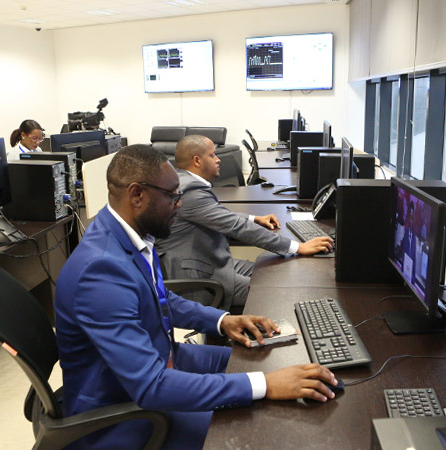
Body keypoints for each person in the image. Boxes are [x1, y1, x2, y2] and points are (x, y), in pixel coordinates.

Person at [55, 144, 338, 450]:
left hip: (158, 366)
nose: (179, 205)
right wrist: (265, 384)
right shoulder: (100, 271)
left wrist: (222, 321)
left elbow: (162, 300)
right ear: (136, 195)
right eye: (172, 196)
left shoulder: (127, 233)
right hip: (124, 419)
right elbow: (152, 385)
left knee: (255, 363)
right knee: (261, 429)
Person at [155, 135, 333, 312]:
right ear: (197, 161)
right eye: (212, 155)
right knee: (274, 291)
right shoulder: (191, 191)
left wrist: (254, 219)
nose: (218, 160)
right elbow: (236, 227)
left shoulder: (185, 181)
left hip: (211, 261)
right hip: (196, 277)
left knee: (277, 272)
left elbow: (219, 215)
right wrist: (298, 247)